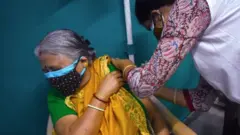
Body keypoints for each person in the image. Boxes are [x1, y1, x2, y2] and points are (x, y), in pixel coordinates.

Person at [112, 0, 240, 113]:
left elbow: (143, 86)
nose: (157, 36)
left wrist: (125, 65)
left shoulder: (189, 7)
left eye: (152, 28)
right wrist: (157, 88)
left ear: (157, 16)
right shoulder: (202, 35)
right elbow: (201, 100)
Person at [34, 29, 170, 135]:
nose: (51, 76)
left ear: (83, 61)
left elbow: (154, 116)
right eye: (45, 71)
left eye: (55, 69)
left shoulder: (109, 71)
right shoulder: (57, 96)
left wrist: (126, 66)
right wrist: (101, 96)